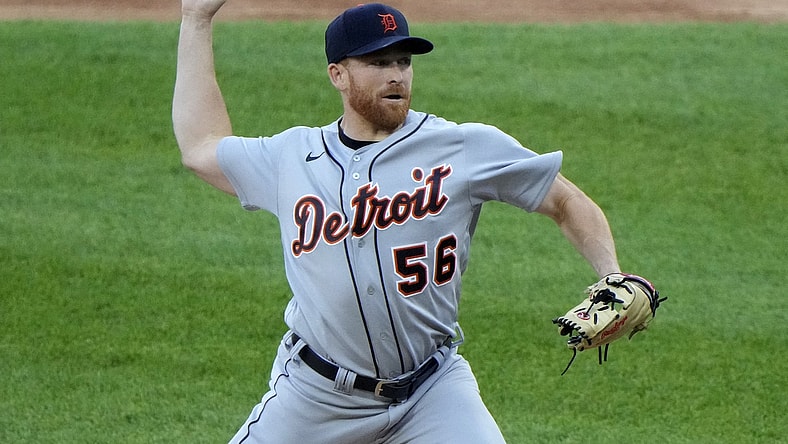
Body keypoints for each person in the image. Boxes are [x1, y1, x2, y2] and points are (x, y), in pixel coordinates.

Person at [173, 2, 621, 443]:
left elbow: (565, 201)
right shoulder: (291, 158)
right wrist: (197, 18)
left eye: (403, 61)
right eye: (377, 61)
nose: (396, 74)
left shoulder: (461, 147)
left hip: (432, 391)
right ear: (338, 75)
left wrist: (613, 275)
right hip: (316, 398)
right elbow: (201, 146)